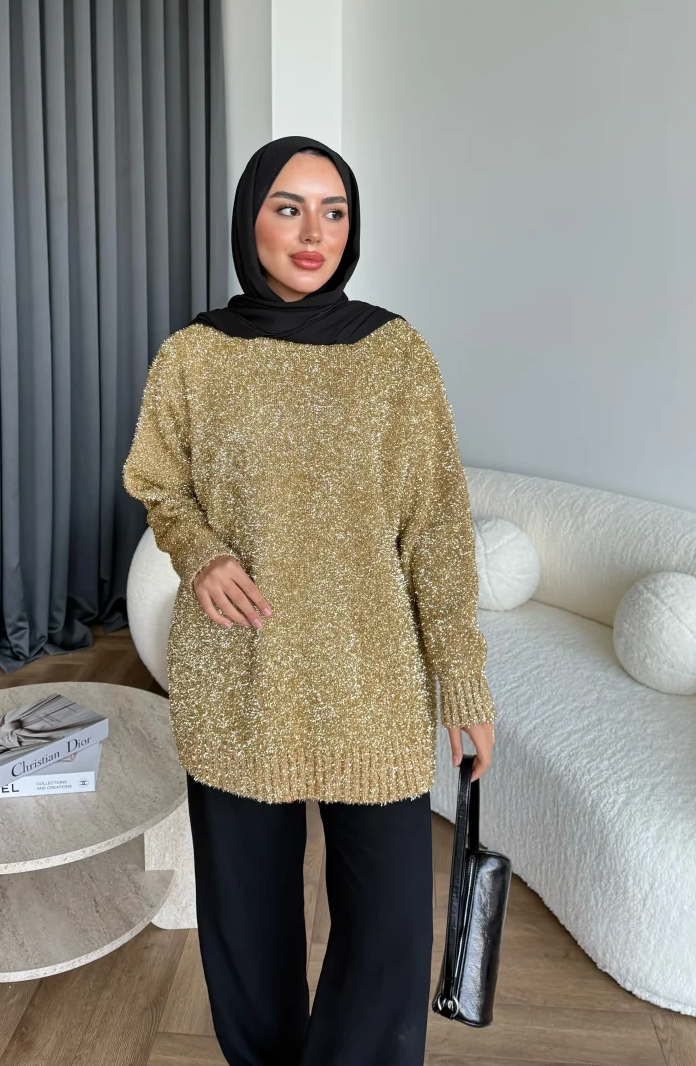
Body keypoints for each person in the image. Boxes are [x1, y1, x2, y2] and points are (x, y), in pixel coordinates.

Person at [122, 135, 497, 1066]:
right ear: (249, 220)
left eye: (334, 211)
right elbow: (160, 484)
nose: (313, 232)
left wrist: (462, 680)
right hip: (240, 676)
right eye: (288, 207)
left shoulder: (395, 355)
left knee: (390, 926)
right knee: (248, 926)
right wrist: (201, 555)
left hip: (373, 680)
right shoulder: (194, 357)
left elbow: (437, 527)